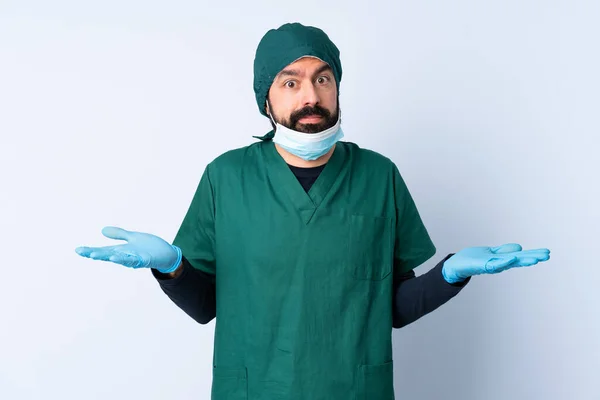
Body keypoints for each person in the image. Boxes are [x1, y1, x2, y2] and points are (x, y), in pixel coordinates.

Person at [75, 22, 551, 400]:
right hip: (257, 391)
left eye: (323, 79)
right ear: (267, 97)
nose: (311, 96)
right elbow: (205, 308)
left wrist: (450, 274)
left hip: (354, 391)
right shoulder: (226, 177)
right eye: (291, 82)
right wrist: (172, 268)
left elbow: (394, 309)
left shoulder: (378, 176)